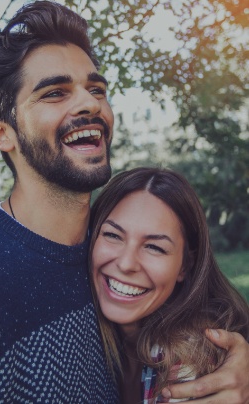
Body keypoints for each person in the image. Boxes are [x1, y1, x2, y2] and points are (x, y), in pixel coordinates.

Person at [0, 0, 248, 404]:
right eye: (55, 93)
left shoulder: (119, 248)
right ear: (3, 134)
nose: (90, 104)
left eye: (96, 90)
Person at [89, 167, 249, 404]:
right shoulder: (86, 328)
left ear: (185, 265)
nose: (126, 263)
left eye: (154, 247)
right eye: (113, 235)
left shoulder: (189, 361)